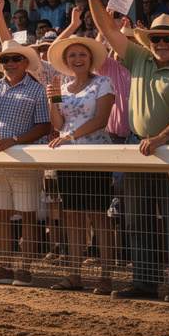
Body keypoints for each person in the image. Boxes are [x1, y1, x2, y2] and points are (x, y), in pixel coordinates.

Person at [82, 0, 169, 303]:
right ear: (148, 38)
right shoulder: (139, 56)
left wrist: (163, 138)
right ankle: (145, 282)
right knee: (137, 218)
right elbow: (107, 30)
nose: (162, 42)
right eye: (157, 37)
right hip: (137, 148)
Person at [0, 35, 51, 286]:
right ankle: (5, 267)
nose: (9, 63)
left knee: (28, 216)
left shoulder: (38, 88)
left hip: (25, 160)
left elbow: (44, 126)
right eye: (5, 59)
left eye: (15, 58)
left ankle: (25, 269)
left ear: (26, 62)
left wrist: (15, 140)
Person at [45, 35, 117, 293]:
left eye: (82, 55)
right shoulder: (62, 89)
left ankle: (106, 277)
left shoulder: (103, 83)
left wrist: (70, 136)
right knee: (73, 216)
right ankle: (75, 276)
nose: (77, 59)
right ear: (66, 61)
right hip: (68, 157)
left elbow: (101, 120)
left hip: (95, 156)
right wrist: (52, 99)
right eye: (72, 55)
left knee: (99, 217)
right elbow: (57, 124)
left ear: (90, 59)